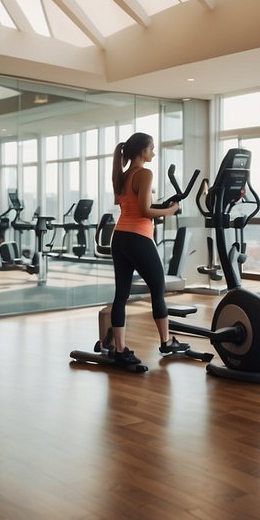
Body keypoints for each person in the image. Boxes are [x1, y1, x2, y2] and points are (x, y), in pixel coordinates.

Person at [102, 132, 190, 366]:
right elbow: (143, 211)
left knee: (121, 294)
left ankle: (120, 349)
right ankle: (165, 342)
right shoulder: (144, 173)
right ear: (142, 151)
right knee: (157, 288)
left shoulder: (122, 175)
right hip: (138, 237)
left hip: (119, 238)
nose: (153, 152)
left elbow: (132, 206)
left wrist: (160, 206)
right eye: (151, 148)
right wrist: (170, 211)